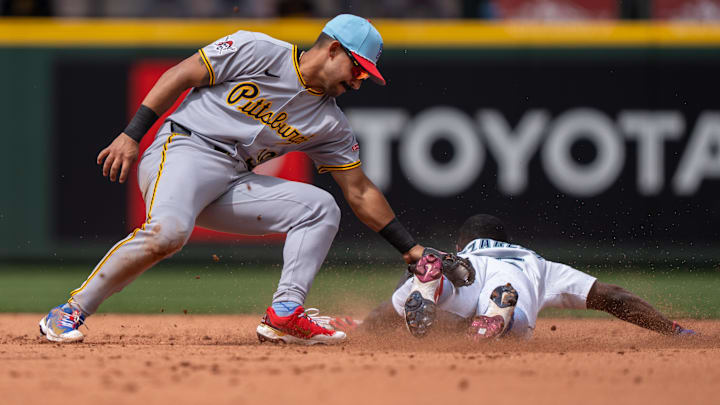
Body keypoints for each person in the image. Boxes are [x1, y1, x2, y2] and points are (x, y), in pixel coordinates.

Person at [38, 14, 426, 345]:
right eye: (358, 68)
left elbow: (359, 191)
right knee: (169, 233)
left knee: (319, 208)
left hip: (232, 181)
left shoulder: (330, 123)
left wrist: (411, 250)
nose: (359, 81)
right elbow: (180, 75)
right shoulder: (258, 49)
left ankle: (285, 313)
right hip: (184, 149)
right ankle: (70, 311)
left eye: (365, 75)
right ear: (333, 49)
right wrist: (132, 135)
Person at [362, 214, 695, 340]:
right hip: (516, 279)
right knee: (517, 318)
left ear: (460, 243)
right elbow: (614, 296)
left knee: (448, 300)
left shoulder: (463, 255)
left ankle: (435, 285)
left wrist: (363, 331)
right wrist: (673, 329)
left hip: (464, 271)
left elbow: (381, 318)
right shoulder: (537, 262)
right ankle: (499, 316)